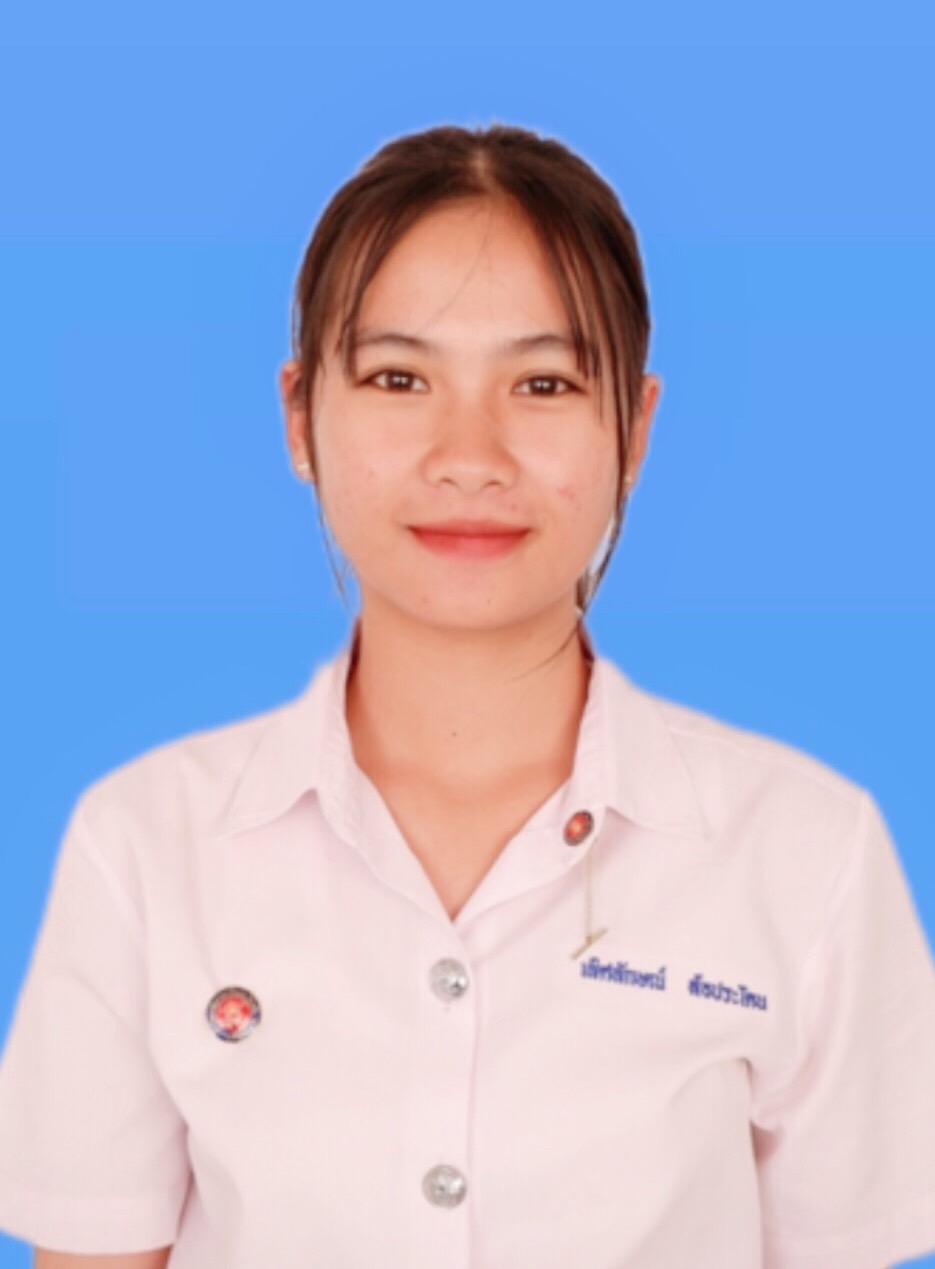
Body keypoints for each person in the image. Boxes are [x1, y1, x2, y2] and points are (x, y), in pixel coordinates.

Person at [0, 122, 934, 1269]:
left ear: (635, 429)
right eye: (399, 378)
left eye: (542, 383)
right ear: (299, 417)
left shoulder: (803, 853)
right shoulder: (146, 848)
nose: (469, 455)